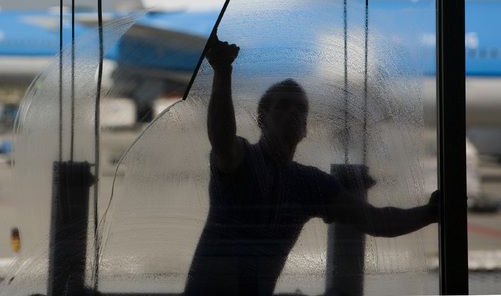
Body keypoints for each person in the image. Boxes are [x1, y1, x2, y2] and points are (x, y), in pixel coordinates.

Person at [184, 37, 439, 295]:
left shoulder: (309, 184)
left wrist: (430, 213)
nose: (293, 113)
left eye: (301, 108)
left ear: (306, 127)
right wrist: (223, 70)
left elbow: (376, 221)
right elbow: (221, 139)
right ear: (262, 118)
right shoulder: (244, 159)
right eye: (283, 106)